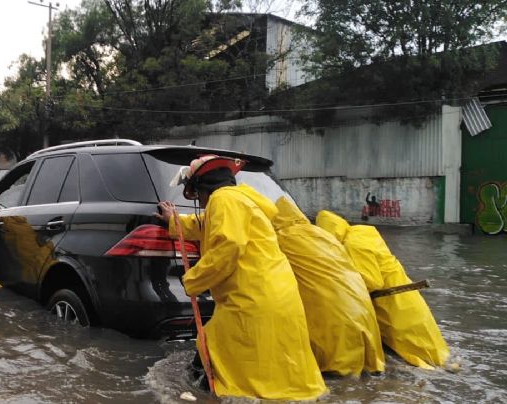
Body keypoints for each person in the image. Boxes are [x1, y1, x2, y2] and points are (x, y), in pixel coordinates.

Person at [155, 155, 326, 400]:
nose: (201, 203)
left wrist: (194, 280)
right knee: (281, 368)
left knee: (218, 355)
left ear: (202, 188)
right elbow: (207, 224)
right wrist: (175, 222)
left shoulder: (223, 200)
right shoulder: (242, 199)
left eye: (198, 195)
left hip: (251, 297)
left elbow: (229, 246)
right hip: (278, 293)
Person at [316, 210, 450, 369]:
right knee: (426, 341)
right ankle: (444, 364)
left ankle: (431, 370)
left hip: (392, 302)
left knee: (411, 349)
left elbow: (371, 281)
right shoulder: (363, 232)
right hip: (404, 293)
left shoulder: (353, 245)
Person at [271, 196, 384, 376]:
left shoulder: (282, 239)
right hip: (364, 313)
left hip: (334, 320)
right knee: (367, 377)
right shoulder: (324, 236)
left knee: (338, 377)